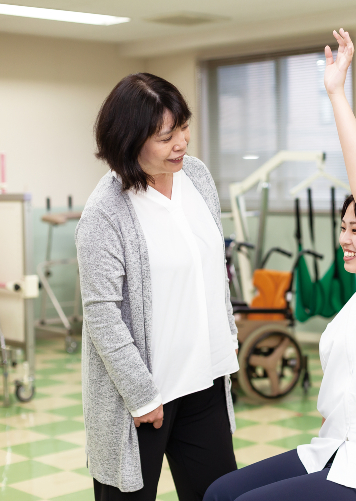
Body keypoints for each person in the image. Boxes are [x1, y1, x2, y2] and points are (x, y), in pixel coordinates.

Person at [204, 29, 356, 501]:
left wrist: (335, 92)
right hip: (336, 448)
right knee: (218, 494)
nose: (345, 239)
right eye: (344, 227)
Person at [76, 73, 239, 501]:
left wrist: (228, 340)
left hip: (204, 381)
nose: (181, 143)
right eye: (166, 137)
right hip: (143, 400)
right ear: (129, 142)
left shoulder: (197, 177)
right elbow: (101, 314)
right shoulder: (105, 212)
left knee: (219, 494)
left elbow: (211, 269)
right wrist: (141, 395)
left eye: (183, 127)